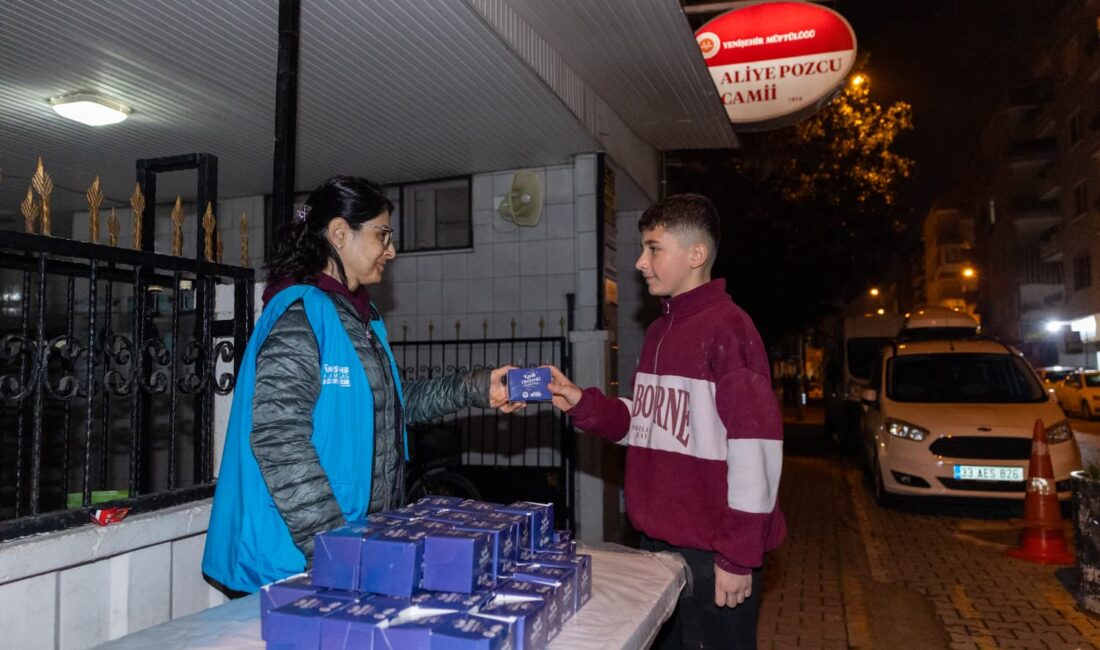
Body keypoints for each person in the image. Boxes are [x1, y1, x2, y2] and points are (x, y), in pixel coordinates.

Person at [202, 175, 522, 594]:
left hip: (346, 549)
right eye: (382, 234)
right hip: (292, 561)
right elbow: (279, 439)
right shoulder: (301, 315)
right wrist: (336, 548)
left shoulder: (359, 317)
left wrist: (477, 388)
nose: (391, 250)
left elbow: (391, 402)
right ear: (339, 233)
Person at [545, 194, 786, 649]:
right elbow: (648, 422)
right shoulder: (661, 330)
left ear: (696, 255)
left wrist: (736, 557)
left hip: (710, 555)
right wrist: (582, 402)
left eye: (653, 248)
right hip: (656, 550)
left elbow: (756, 450)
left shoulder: (730, 330)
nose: (639, 261)